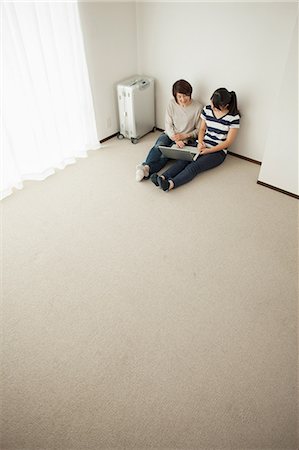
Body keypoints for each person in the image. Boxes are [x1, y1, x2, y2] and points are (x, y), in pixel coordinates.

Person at [150, 87, 241, 191]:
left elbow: (228, 142)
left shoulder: (234, 118)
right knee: (183, 160)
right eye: (211, 104)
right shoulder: (207, 110)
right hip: (201, 144)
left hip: (217, 152)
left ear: (225, 106)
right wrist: (200, 143)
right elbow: (202, 129)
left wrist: (209, 150)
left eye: (215, 107)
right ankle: (162, 178)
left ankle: (170, 184)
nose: (212, 107)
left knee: (194, 167)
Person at [135, 79, 202, 181]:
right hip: (170, 134)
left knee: (164, 157)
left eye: (185, 95)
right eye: (179, 96)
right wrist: (176, 139)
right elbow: (168, 124)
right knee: (158, 146)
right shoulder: (171, 104)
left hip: (185, 139)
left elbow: (199, 130)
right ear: (175, 95)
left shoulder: (198, 107)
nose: (183, 99)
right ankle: (145, 167)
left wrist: (184, 136)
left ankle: (146, 169)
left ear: (190, 94)